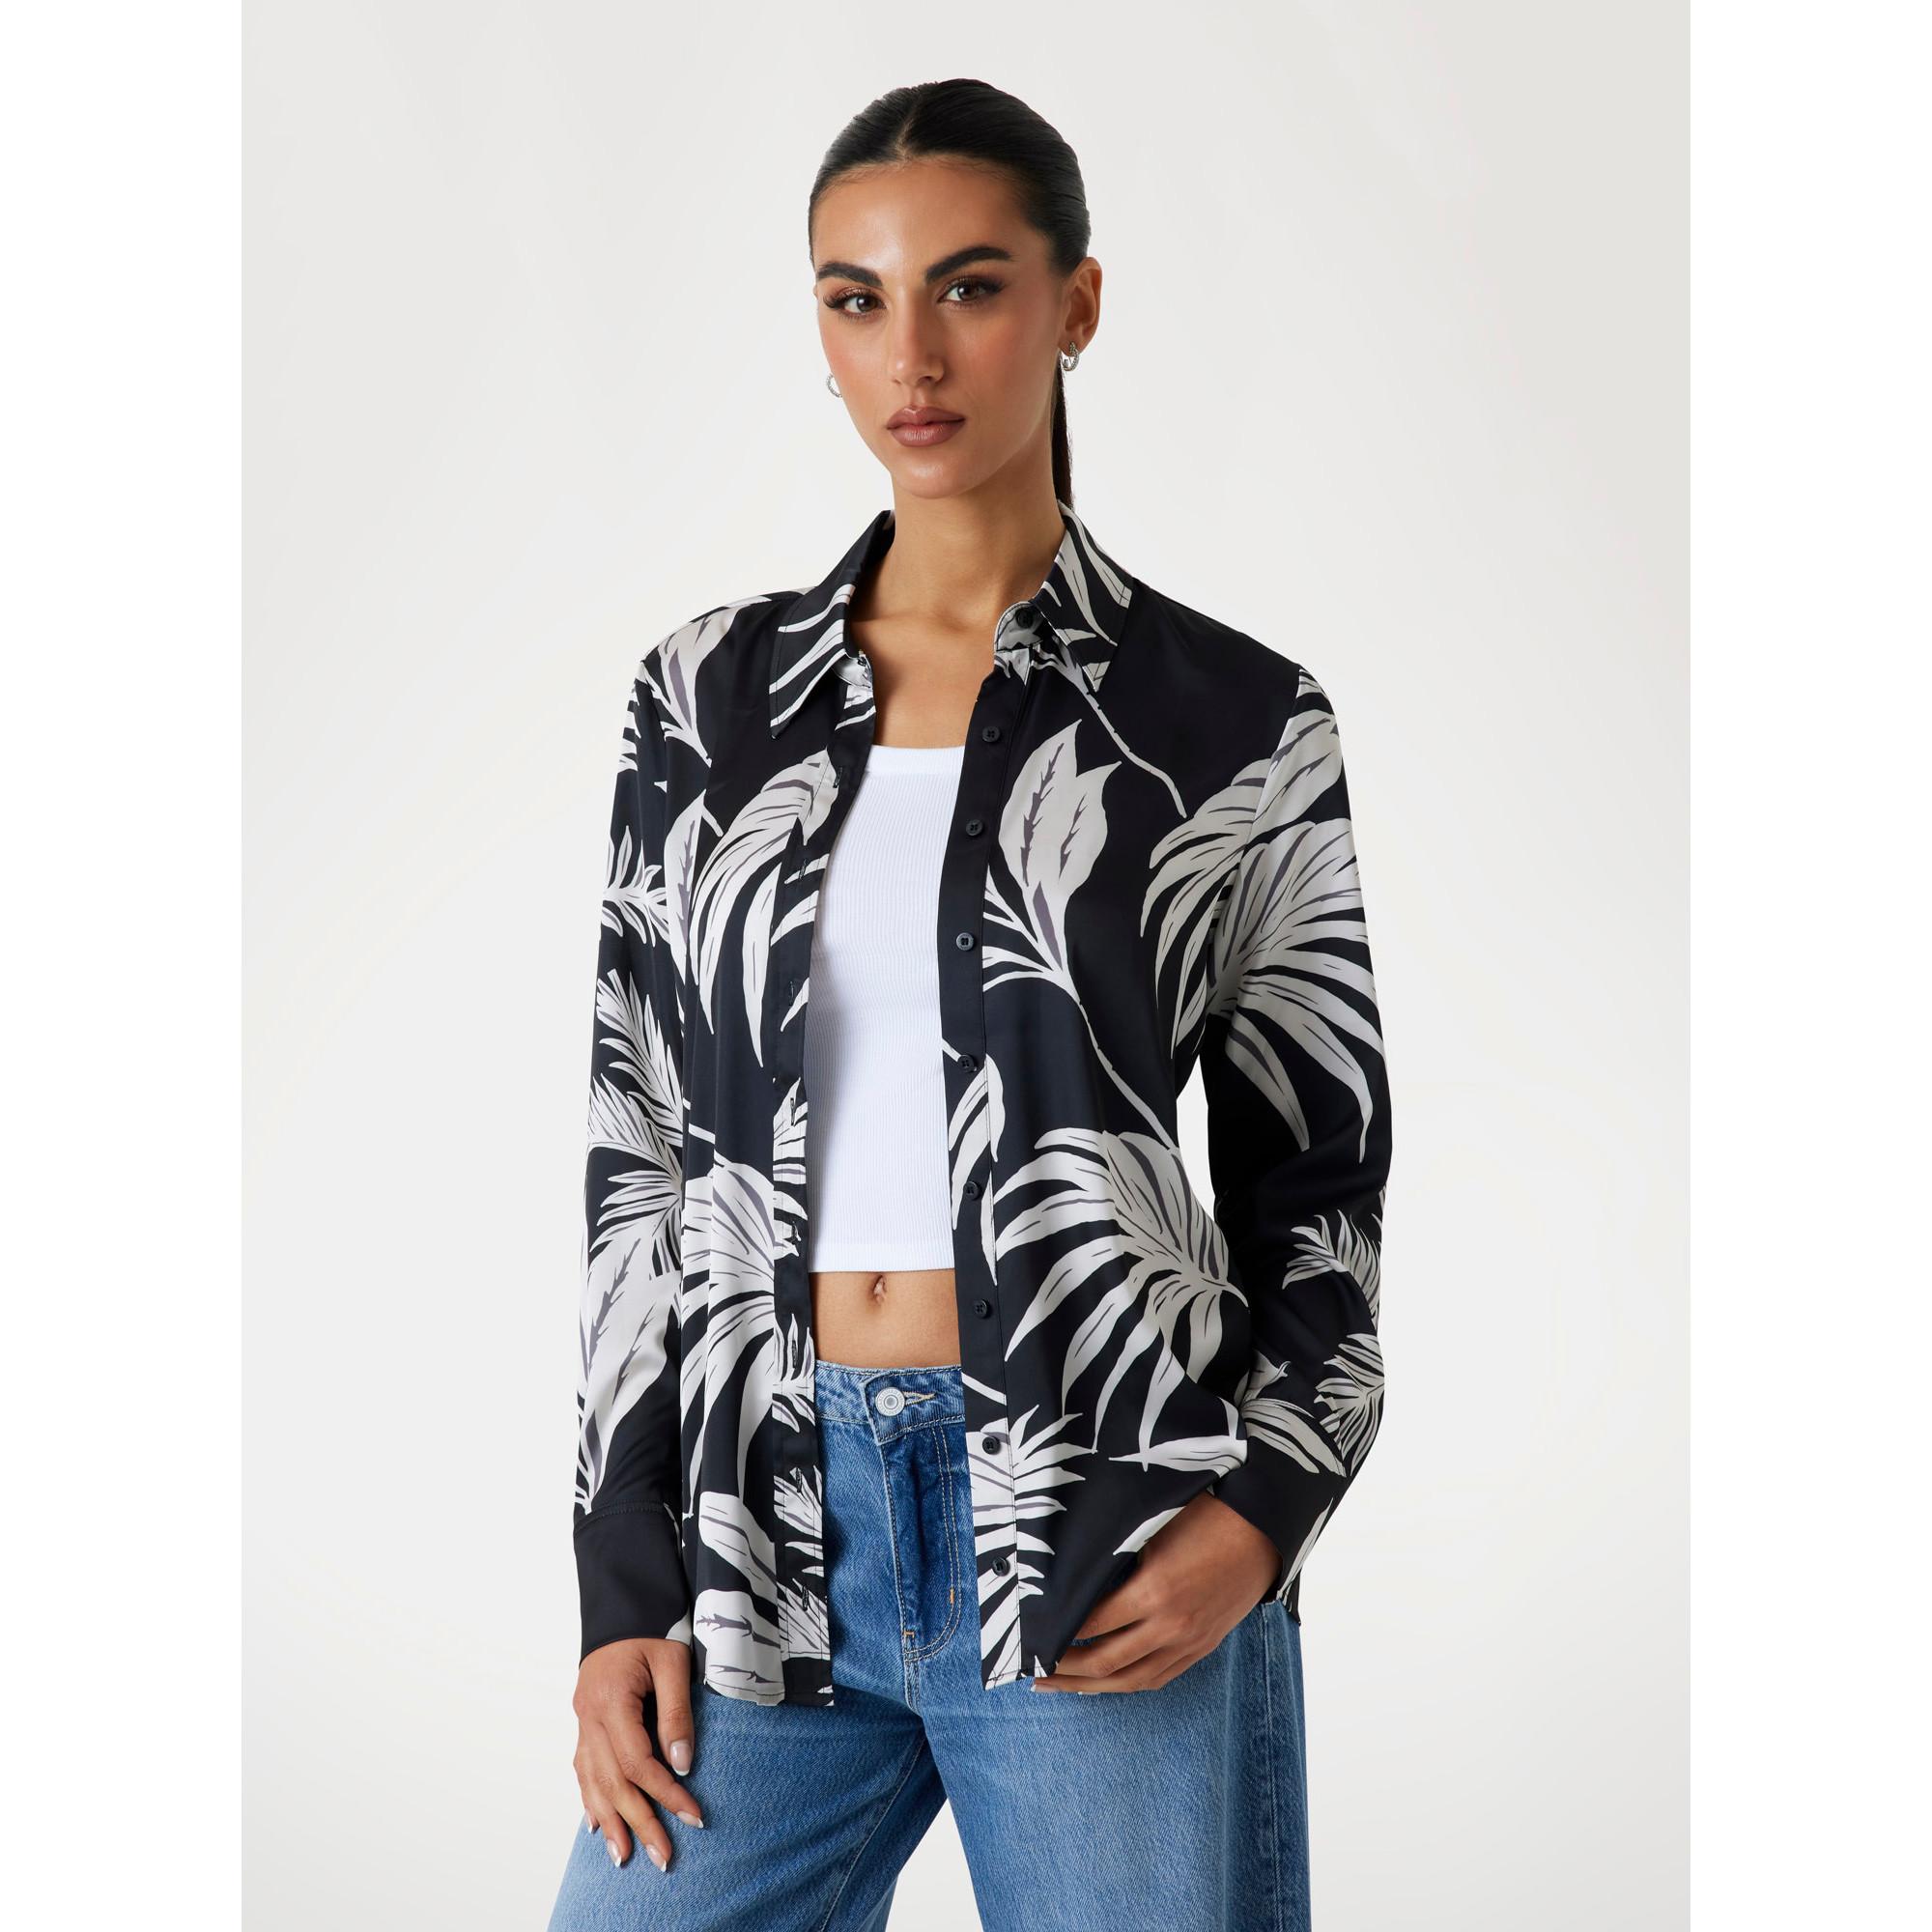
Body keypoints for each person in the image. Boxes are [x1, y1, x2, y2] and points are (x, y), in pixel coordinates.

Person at [548, 76, 1392, 1932]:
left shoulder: (1230, 722)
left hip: (1105, 1513)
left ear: (1078, 303)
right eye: (856, 299)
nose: (910, 355)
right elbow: (639, 1160)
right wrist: (623, 1585)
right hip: (766, 1537)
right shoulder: (707, 704)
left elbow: (1320, 1188)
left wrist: (1261, 1513)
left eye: (971, 287)